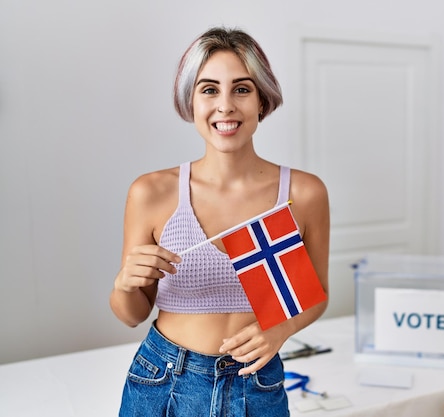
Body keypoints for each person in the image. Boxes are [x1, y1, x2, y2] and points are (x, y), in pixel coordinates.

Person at [109, 26, 330, 417]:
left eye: (241, 89)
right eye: (209, 89)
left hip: (256, 383)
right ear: (190, 102)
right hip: (165, 379)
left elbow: (315, 295)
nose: (225, 105)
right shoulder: (152, 192)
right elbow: (131, 315)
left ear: (262, 100)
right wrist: (124, 283)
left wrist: (279, 330)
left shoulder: (304, 193)